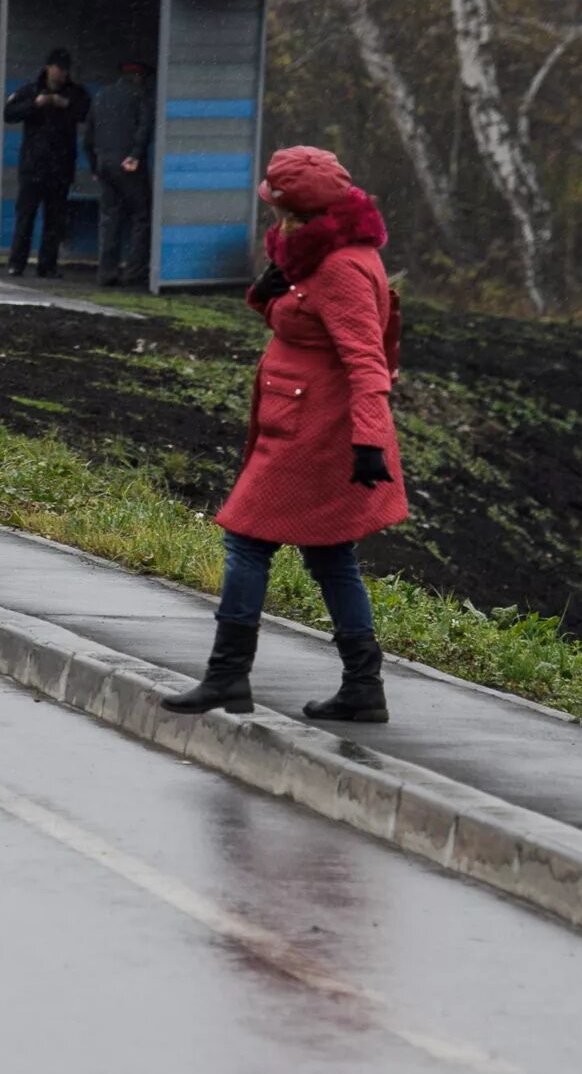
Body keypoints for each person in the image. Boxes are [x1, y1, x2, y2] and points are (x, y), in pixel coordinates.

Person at [162, 146, 408, 724]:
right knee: (330, 556)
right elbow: (300, 320)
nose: (272, 216)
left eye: (278, 206)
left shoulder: (342, 264)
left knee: (247, 539)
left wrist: (369, 441)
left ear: (300, 211)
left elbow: (367, 358)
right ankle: (362, 687)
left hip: (320, 430)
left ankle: (227, 677)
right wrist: (267, 292)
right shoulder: (310, 253)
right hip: (296, 419)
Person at [1, 48, 88, 279]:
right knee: (25, 216)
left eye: (65, 70)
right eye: (59, 69)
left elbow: (85, 113)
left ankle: (47, 266)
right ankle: (16, 263)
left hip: (60, 167)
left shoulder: (75, 94)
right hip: (33, 166)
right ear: (48, 68)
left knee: (55, 220)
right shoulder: (30, 90)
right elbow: (8, 113)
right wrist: (35, 104)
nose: (62, 74)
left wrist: (65, 105)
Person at [85, 58, 154, 289]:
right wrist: (134, 155)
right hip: (128, 165)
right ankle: (134, 272)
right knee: (141, 216)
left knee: (109, 219)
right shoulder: (140, 96)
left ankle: (106, 273)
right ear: (138, 77)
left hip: (105, 164)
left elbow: (88, 135)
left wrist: (95, 165)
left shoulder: (101, 96)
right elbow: (144, 128)